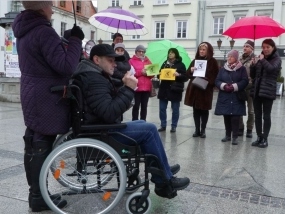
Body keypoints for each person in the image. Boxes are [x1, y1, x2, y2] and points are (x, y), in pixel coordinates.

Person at [71, 44, 190, 199]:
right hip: (102, 132)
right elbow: (109, 112)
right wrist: (128, 89)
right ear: (96, 59)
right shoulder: (94, 79)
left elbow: (105, 104)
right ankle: (164, 180)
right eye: (111, 60)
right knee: (149, 129)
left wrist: (121, 85)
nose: (115, 64)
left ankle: (163, 168)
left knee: (142, 123)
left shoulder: (92, 74)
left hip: (100, 127)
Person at [12, 1, 84, 212]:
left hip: (31, 91)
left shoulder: (24, 30)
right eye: (50, 6)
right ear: (42, 8)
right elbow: (66, 66)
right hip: (46, 96)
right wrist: (76, 40)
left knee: (33, 142)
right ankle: (39, 197)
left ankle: (36, 194)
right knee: (42, 144)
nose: (53, 10)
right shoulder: (44, 32)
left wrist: (67, 41)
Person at [250, 39, 281, 148]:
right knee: (257, 115)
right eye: (263, 47)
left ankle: (265, 139)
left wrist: (262, 60)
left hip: (268, 91)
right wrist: (253, 65)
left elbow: (271, 69)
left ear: (273, 47)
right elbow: (253, 75)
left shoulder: (277, 59)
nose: (265, 49)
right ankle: (259, 137)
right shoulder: (260, 59)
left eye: (268, 47)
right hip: (257, 90)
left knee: (266, 116)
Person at [184, 42, 219, 138]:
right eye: (200, 49)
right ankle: (197, 129)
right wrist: (191, 71)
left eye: (204, 50)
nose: (202, 51)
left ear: (208, 51)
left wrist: (207, 80)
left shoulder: (213, 62)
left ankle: (203, 130)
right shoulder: (195, 60)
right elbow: (187, 75)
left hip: (205, 90)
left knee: (204, 110)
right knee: (196, 110)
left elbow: (215, 76)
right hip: (195, 89)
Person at [214, 50, 249, 145]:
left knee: (235, 117)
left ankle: (235, 137)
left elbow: (245, 80)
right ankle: (227, 135)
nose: (229, 58)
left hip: (237, 96)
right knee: (226, 116)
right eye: (228, 56)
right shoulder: (223, 69)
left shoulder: (242, 69)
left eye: (231, 56)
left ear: (236, 58)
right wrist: (224, 85)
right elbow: (217, 80)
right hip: (225, 96)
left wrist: (234, 86)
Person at [157, 48, 188, 133]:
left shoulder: (181, 65)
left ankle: (174, 126)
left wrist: (179, 75)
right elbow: (159, 75)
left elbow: (185, 77)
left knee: (175, 109)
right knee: (162, 108)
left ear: (176, 54)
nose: (170, 54)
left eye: (172, 53)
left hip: (175, 89)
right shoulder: (164, 63)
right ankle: (163, 125)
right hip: (164, 89)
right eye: (169, 53)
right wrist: (159, 75)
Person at [129, 45, 153, 121]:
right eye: (139, 51)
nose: (141, 53)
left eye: (143, 52)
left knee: (144, 107)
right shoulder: (131, 61)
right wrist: (141, 72)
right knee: (136, 106)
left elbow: (152, 74)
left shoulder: (148, 61)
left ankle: (143, 122)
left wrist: (148, 73)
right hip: (136, 87)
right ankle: (135, 122)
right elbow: (130, 74)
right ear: (136, 52)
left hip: (146, 88)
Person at [238, 40, 256, 138]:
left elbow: (257, 74)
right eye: (244, 46)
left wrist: (254, 65)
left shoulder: (255, 59)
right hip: (241, 87)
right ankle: (240, 127)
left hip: (251, 87)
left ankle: (249, 129)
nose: (245, 48)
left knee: (251, 110)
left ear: (252, 49)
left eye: (247, 46)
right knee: (240, 109)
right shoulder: (239, 59)